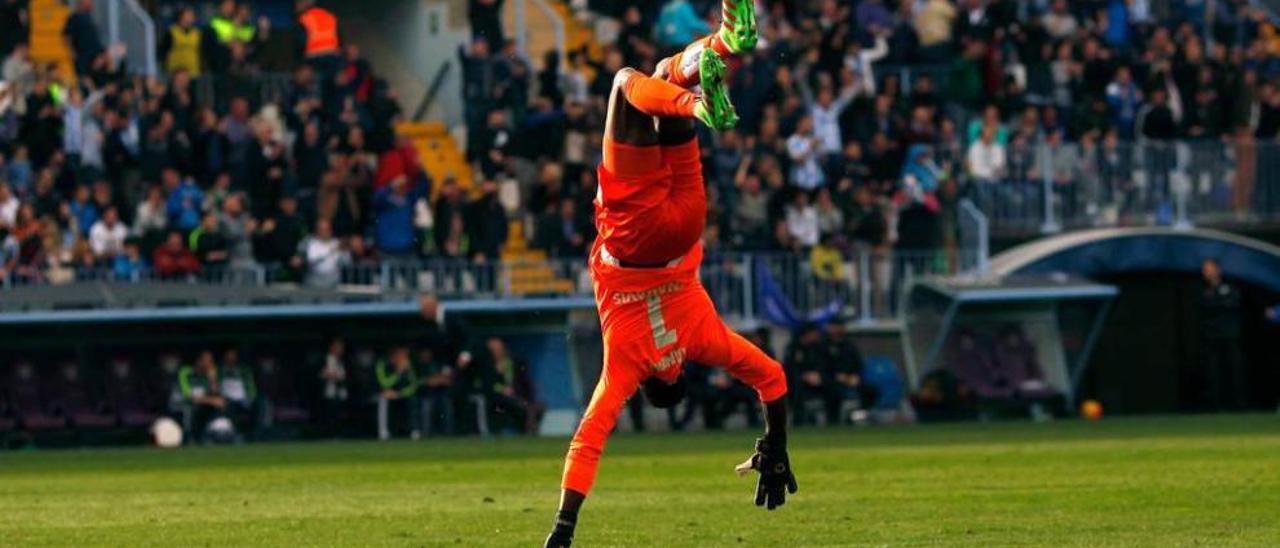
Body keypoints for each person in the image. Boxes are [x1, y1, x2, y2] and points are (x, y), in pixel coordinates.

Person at [545, 4, 795, 546]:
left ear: (676, 373)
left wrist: (777, 446)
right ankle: (699, 100)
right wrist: (562, 529)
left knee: (663, 71)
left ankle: (727, 42)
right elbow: (586, 440)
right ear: (657, 380)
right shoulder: (626, 362)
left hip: (685, 221)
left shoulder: (699, 337)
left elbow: (772, 379)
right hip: (634, 235)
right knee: (626, 83)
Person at [1199, 259, 1246, 411]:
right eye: (1205, 270)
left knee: (1235, 370)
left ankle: (1240, 405)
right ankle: (1218, 407)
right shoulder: (1202, 290)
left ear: (1218, 269)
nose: (1207, 272)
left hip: (1231, 336)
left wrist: (1217, 302)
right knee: (1214, 372)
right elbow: (1204, 308)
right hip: (1212, 338)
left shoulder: (1230, 286)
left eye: (1210, 269)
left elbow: (1233, 303)